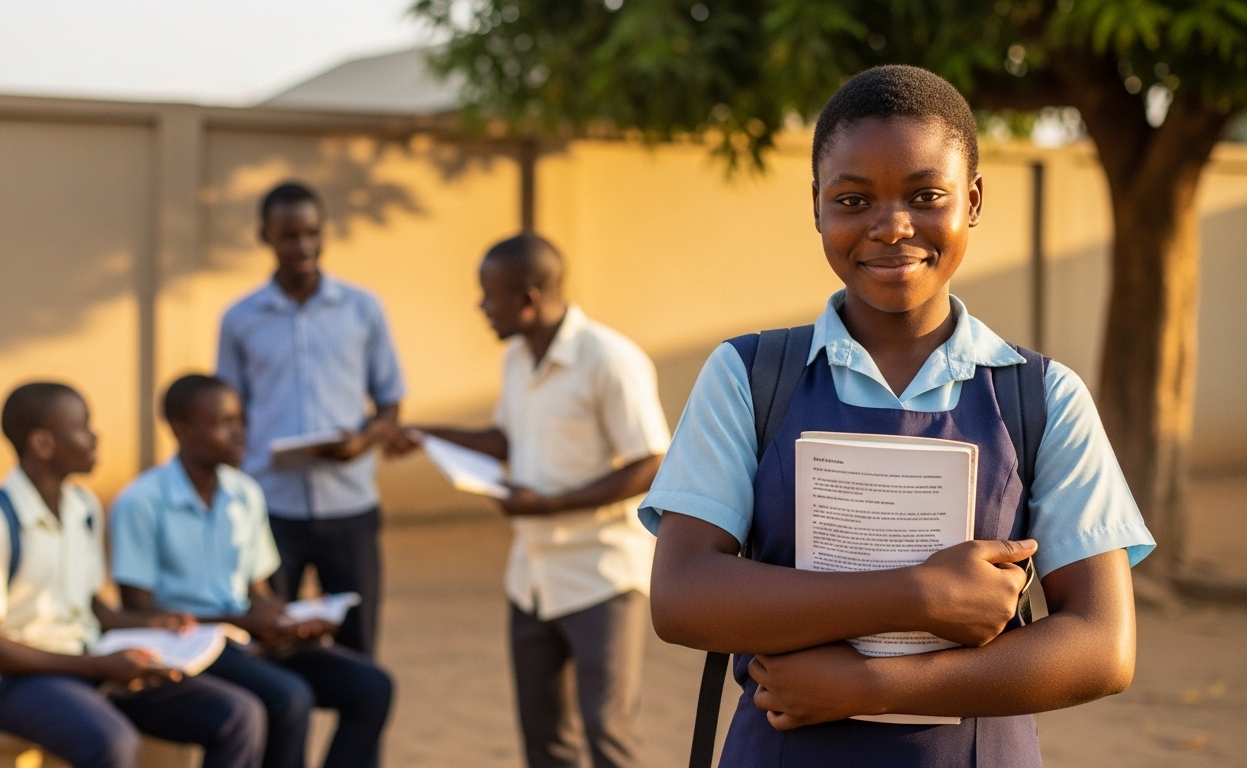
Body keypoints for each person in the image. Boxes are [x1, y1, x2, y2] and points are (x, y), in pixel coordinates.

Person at [642, 65, 1157, 766]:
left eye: (926, 195)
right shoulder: (750, 378)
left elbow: (1102, 647)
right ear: (817, 205)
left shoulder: (1040, 397)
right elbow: (682, 596)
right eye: (853, 199)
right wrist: (919, 595)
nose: (891, 227)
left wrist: (873, 684)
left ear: (972, 201)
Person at [390, 233, 672, 768]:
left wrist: (548, 505)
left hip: (600, 574)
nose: (480, 307)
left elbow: (651, 463)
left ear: (528, 298)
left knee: (607, 732)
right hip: (532, 577)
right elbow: (506, 440)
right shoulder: (518, 358)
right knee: (544, 738)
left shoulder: (609, 359)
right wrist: (424, 434)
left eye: (488, 296)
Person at [0, 382, 265, 768]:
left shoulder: (83, 507)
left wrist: (154, 624)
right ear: (42, 444)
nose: (96, 437)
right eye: (83, 427)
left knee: (237, 714)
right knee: (111, 743)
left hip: (84, 660)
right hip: (11, 680)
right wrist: (96, 666)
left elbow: (92, 608)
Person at [110, 374, 394, 768]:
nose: (241, 432)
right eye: (224, 422)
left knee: (371, 685)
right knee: (289, 697)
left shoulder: (245, 493)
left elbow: (258, 588)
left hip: (247, 639)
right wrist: (245, 619)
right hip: (192, 646)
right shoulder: (141, 502)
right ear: (181, 429)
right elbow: (139, 612)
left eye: (242, 420)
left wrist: (290, 619)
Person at [216, 181, 405, 657]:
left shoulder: (363, 308)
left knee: (359, 648)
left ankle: (361, 734)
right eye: (288, 235)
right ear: (265, 236)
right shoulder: (240, 319)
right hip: (272, 509)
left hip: (350, 506)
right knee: (272, 642)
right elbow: (227, 413)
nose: (302, 246)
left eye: (311, 233)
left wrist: (361, 442)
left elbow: (389, 402)